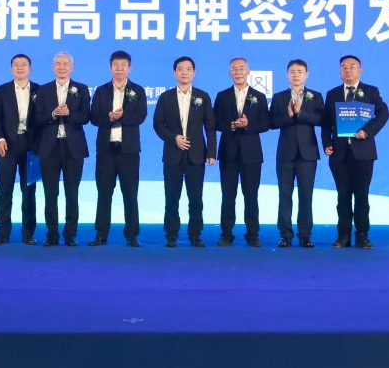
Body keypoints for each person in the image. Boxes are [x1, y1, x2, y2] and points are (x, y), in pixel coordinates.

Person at [322, 54, 389, 249]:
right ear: (340, 71)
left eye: (352, 66)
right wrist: (327, 143)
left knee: (361, 196)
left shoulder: (371, 91)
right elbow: (326, 124)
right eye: (344, 67)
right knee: (342, 196)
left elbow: (384, 113)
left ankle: (362, 236)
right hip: (339, 153)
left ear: (360, 70)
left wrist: (367, 132)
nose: (348, 70)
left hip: (363, 153)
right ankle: (343, 236)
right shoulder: (333, 94)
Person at [153, 56, 216, 247]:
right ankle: (171, 234)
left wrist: (211, 152)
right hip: (172, 155)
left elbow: (210, 126)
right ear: (174, 73)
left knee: (196, 198)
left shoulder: (202, 96)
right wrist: (174, 138)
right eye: (180, 69)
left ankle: (195, 235)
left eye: (188, 69)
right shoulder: (166, 97)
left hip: (196, 156)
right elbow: (158, 124)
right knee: (171, 197)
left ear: (194, 73)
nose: (184, 72)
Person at [89, 50, 147, 247]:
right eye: (116, 65)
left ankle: (132, 235)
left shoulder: (138, 90)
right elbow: (94, 117)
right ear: (110, 67)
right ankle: (100, 234)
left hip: (129, 151)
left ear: (129, 68)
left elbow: (140, 116)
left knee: (130, 194)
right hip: (106, 151)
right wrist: (109, 117)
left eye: (123, 65)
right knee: (104, 194)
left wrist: (121, 117)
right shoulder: (101, 90)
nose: (119, 68)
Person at [33, 52, 90, 246]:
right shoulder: (43, 89)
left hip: (73, 148)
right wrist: (52, 114)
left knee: (72, 193)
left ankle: (70, 234)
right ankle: (52, 234)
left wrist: (69, 113)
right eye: (58, 63)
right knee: (50, 193)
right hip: (49, 147)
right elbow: (36, 118)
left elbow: (86, 117)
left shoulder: (81, 89)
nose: (62, 67)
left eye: (66, 64)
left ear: (71, 68)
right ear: (53, 67)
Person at [213, 57, 270, 247]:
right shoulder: (222, 96)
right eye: (234, 69)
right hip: (228, 152)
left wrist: (248, 124)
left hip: (251, 154)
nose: (238, 72)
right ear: (229, 73)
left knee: (251, 195)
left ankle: (252, 234)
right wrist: (230, 125)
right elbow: (214, 121)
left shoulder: (259, 96)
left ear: (248, 72)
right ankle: (226, 234)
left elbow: (266, 124)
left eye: (241, 68)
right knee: (228, 196)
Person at [269, 59, 324, 247]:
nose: (296, 75)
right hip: (285, 153)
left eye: (300, 71)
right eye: (292, 71)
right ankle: (285, 235)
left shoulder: (315, 96)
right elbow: (271, 123)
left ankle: (305, 235)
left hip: (308, 154)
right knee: (284, 194)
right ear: (287, 74)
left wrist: (301, 113)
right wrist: (289, 115)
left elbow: (321, 119)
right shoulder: (279, 97)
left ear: (306, 74)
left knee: (306, 195)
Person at [0, 54, 40, 245]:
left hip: (31, 147)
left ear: (30, 68)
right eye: (16, 65)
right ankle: (3, 233)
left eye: (24, 65)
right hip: (7, 146)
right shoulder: (1, 90)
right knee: (5, 190)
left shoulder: (39, 90)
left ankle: (28, 234)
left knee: (29, 192)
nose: (20, 68)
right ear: (11, 68)